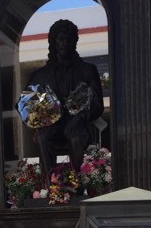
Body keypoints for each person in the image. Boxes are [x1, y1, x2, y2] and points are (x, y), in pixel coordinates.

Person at [27, 19, 105, 181]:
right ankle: (51, 185)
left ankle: (76, 182)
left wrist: (81, 116)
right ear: (53, 42)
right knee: (43, 137)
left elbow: (98, 105)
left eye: (69, 39)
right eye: (61, 39)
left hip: (76, 123)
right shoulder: (40, 75)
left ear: (75, 42)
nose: (65, 43)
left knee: (77, 138)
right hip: (52, 125)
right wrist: (38, 119)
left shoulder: (88, 70)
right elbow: (27, 107)